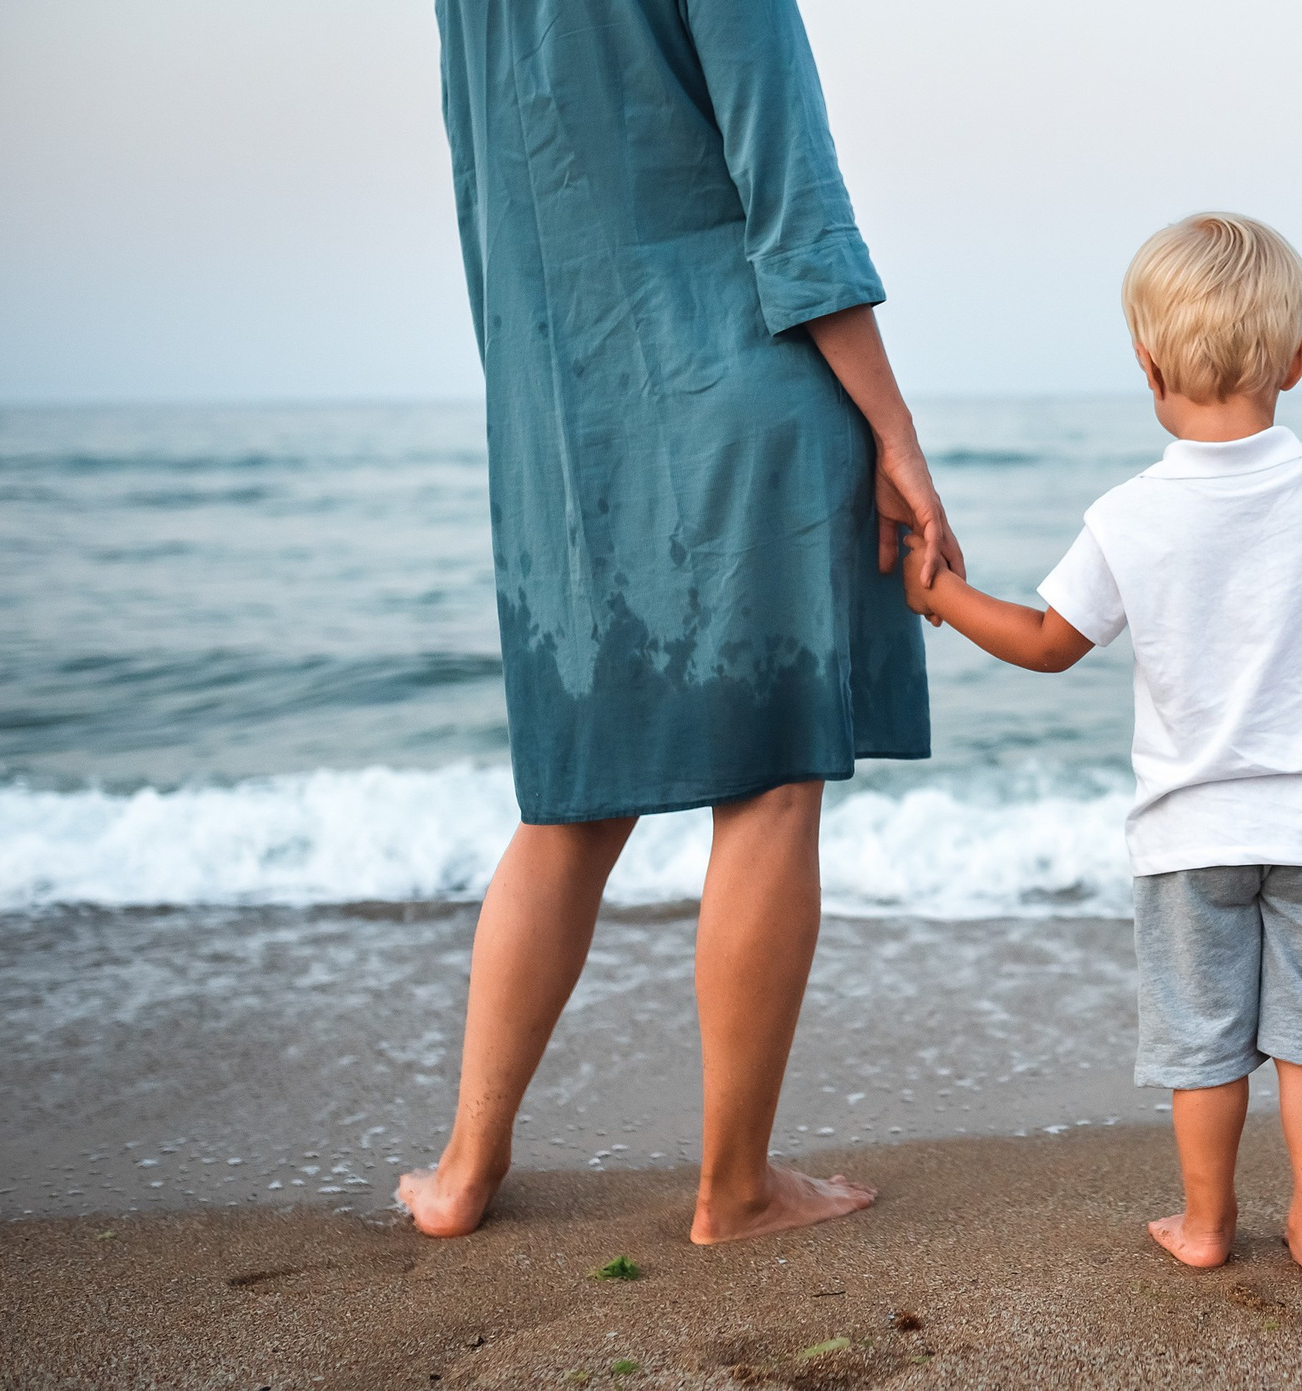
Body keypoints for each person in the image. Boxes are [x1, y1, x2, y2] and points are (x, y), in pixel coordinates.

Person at [398, 0, 963, 1244]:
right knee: (769, 785)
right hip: (740, 392)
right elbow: (795, 206)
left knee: (572, 803)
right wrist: (898, 437)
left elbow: (496, 197)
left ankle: (461, 1169)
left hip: (568, 419)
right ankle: (736, 1185)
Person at [898, 214, 1302, 1279]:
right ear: (1296, 360)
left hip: (1188, 835)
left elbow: (1046, 642)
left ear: (1148, 365)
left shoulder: (1130, 513)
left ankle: (1207, 1224)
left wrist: (939, 595)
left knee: (1203, 1040)